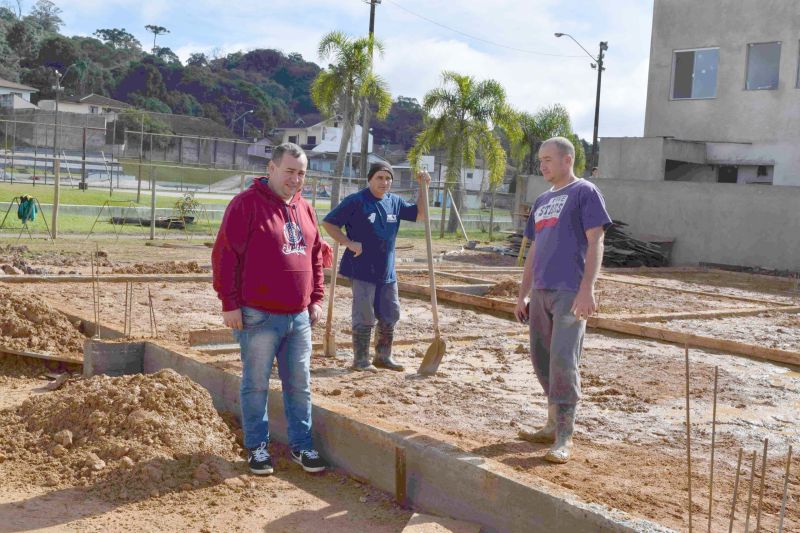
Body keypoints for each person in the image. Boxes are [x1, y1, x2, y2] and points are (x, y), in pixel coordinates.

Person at [212, 142, 327, 475]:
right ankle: (257, 447)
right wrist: (229, 303)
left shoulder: (305, 208)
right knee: (256, 383)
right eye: (290, 171)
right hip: (258, 315)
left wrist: (316, 297)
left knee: (300, 384)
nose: (295, 179)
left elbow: (316, 255)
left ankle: (302, 446)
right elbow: (225, 256)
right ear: (272, 168)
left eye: (301, 173)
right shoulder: (245, 205)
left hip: (299, 317)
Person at [514, 137, 612, 464]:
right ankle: (550, 424)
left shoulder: (584, 192)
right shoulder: (542, 200)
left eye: (548, 160)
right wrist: (522, 292)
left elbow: (596, 239)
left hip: (570, 290)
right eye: (540, 160)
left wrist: (588, 288)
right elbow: (533, 251)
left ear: (567, 159)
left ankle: (564, 436)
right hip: (540, 290)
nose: (542, 165)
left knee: (562, 360)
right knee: (541, 359)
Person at [322, 162, 430, 372]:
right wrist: (348, 242)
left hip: (386, 270)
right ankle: (361, 360)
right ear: (370, 179)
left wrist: (423, 188)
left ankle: (383, 356)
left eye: (388, 178)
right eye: (379, 178)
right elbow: (329, 223)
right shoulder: (357, 201)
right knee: (364, 314)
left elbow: (420, 215)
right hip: (362, 268)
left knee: (390, 313)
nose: (384, 182)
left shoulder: (395, 202)